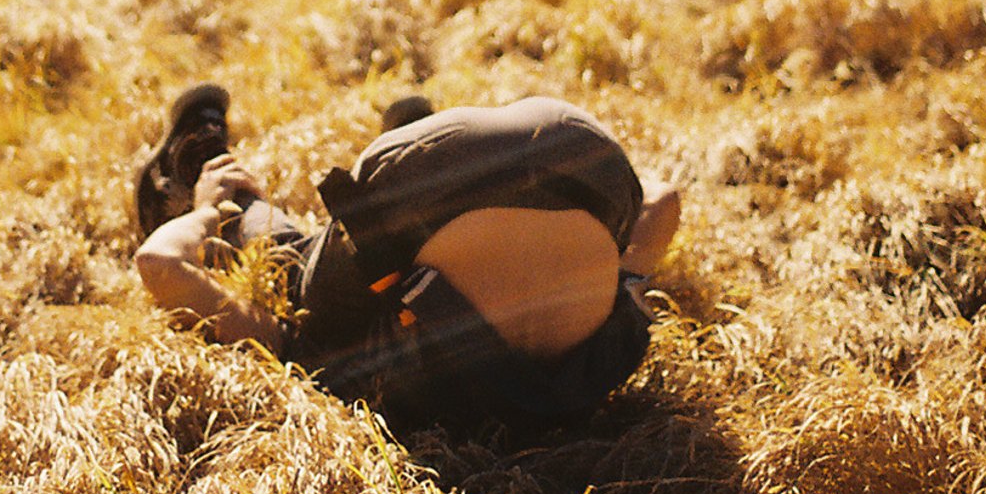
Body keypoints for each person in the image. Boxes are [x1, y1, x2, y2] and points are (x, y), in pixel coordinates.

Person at [134, 85, 681, 433]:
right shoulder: (348, 370)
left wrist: (205, 211)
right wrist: (209, 222)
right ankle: (220, 180)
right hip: (429, 173)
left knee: (306, 271)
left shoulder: (602, 360)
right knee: (307, 272)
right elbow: (160, 264)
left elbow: (661, 200)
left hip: (587, 158)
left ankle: (205, 179)